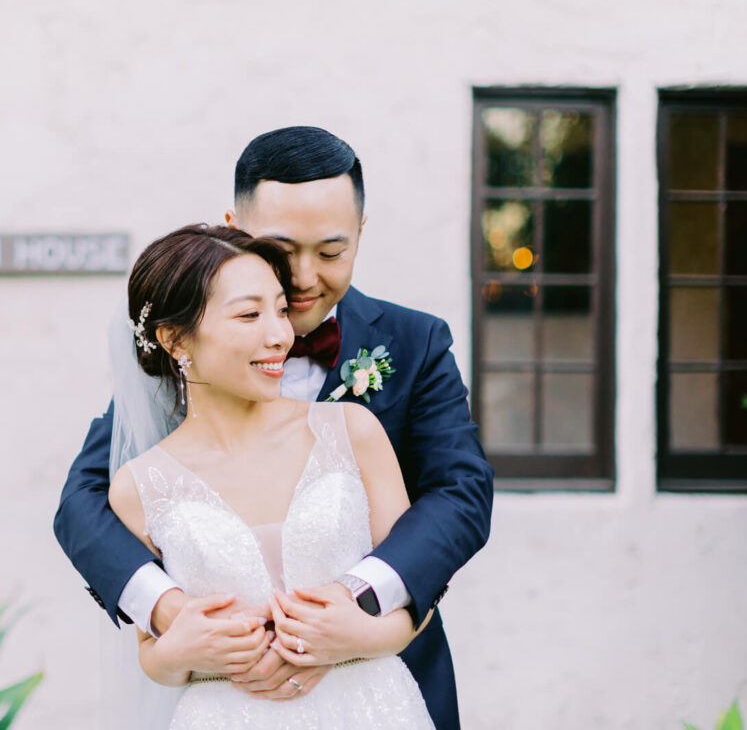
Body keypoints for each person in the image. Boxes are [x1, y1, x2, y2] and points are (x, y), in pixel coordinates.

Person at [54, 126, 494, 729]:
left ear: (361, 232)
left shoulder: (414, 343)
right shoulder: (192, 346)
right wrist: (174, 616)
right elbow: (83, 503)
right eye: (283, 251)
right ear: (235, 225)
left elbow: (459, 496)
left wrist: (357, 603)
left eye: (332, 252)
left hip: (379, 686)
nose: (305, 277)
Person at [108, 223, 435, 728]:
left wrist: (352, 638)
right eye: (249, 314)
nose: (281, 334)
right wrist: (184, 651)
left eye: (282, 310)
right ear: (174, 339)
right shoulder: (139, 486)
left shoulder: (352, 430)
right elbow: (152, 654)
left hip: (372, 708)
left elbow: (418, 596)